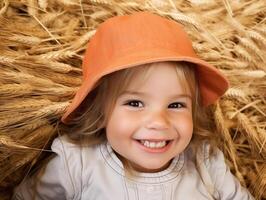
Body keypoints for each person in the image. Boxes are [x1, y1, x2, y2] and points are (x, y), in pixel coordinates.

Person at [13, 11, 254, 200]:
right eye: (135, 102)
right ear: (101, 111)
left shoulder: (205, 161)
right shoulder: (76, 163)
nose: (159, 122)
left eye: (176, 104)